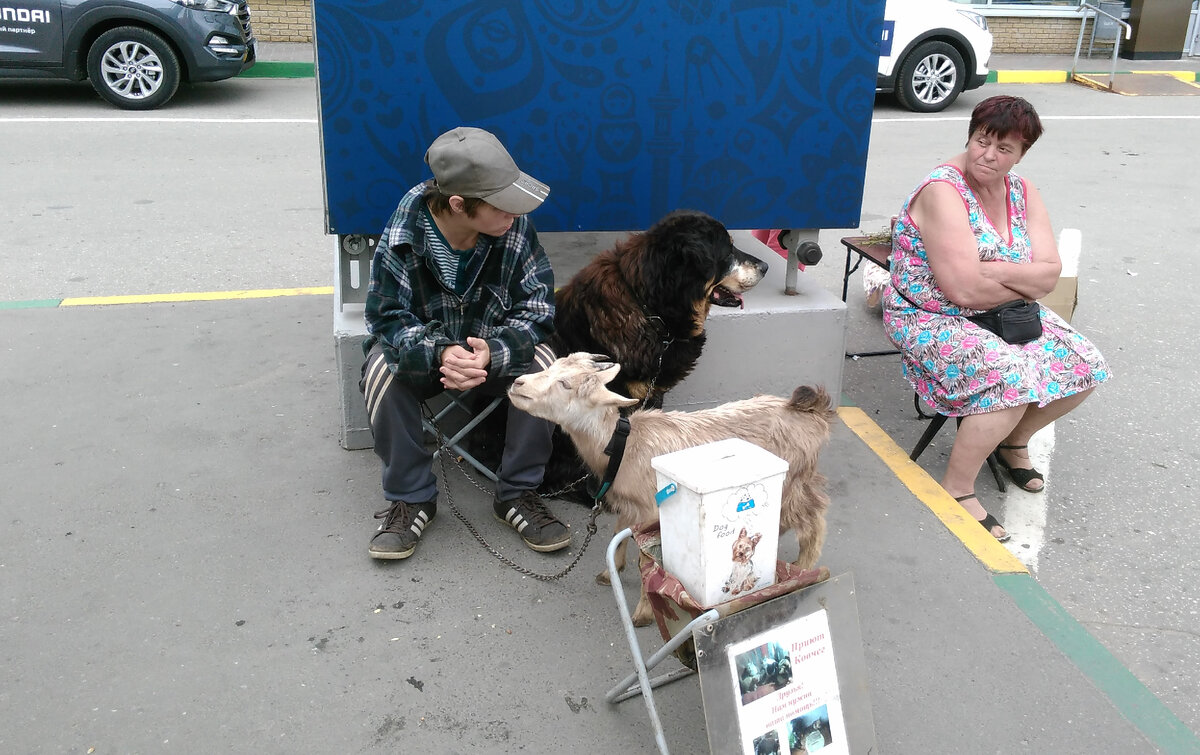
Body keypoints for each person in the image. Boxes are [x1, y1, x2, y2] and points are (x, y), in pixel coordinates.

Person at [881, 95, 1110, 542]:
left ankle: (1012, 442)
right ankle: (957, 486)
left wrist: (998, 271)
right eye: (982, 140)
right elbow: (961, 289)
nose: (988, 155)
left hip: (1002, 310)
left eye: (1004, 149)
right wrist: (1025, 278)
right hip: (929, 314)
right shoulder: (942, 191)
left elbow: (1050, 274)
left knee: (1085, 363)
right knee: (1012, 381)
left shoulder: (1023, 191)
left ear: (1021, 154)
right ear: (970, 135)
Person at [359, 126, 570, 560]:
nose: (515, 214)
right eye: (503, 205)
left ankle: (517, 493)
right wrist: (438, 352)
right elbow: (385, 317)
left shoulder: (514, 227)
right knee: (380, 370)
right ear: (459, 204)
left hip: (495, 353)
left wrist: (495, 351)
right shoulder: (402, 236)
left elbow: (539, 308)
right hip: (424, 356)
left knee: (549, 369)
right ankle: (411, 498)